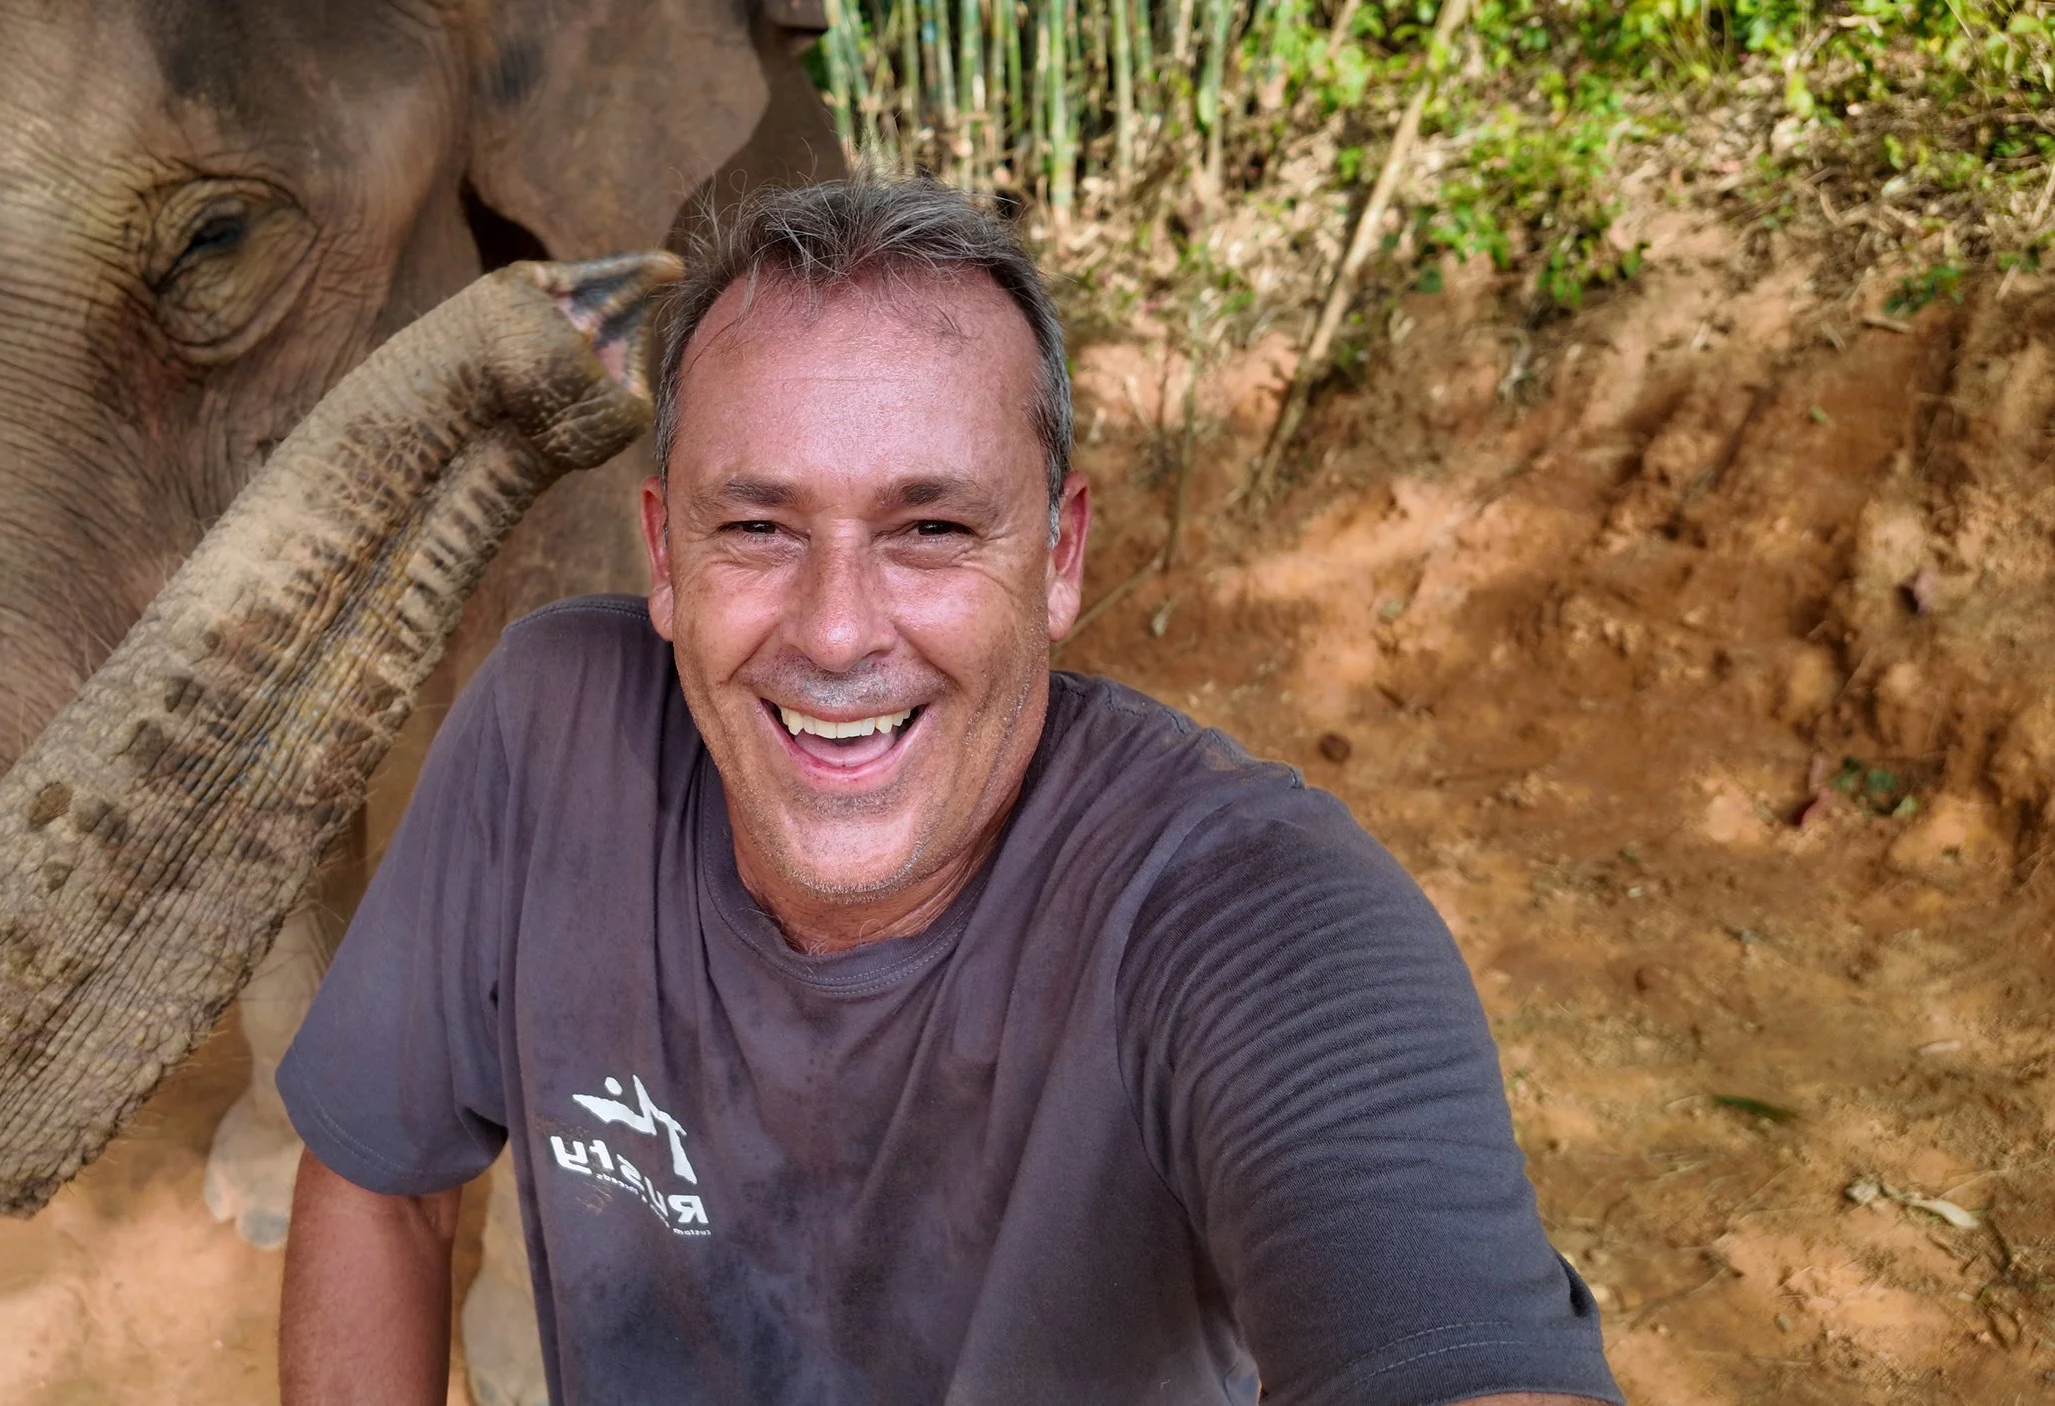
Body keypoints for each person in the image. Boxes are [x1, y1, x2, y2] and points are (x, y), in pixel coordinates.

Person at [276, 177, 1623, 1406]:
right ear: (665, 560)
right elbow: (379, 1188)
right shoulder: (551, 726)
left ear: (1058, 556)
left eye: (930, 528)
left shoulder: (1251, 916)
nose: (837, 630)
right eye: (757, 526)